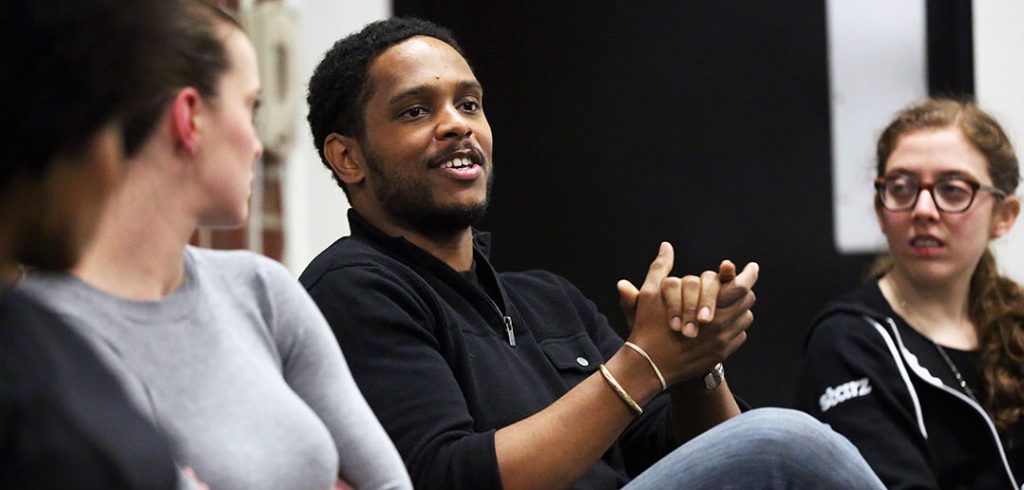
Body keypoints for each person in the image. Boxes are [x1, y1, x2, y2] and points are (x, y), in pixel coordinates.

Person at [301, 17, 885, 489]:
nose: (457, 126)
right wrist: (643, 363)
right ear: (347, 157)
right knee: (785, 443)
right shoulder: (352, 288)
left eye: (470, 104)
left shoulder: (548, 301)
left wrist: (692, 363)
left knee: (768, 442)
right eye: (415, 111)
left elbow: (708, 460)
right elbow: (444, 477)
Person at [18, 2, 411, 489]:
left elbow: (391, 484)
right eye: (250, 107)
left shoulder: (260, 289)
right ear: (190, 117)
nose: (257, 144)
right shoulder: (41, 336)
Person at [0, 0, 190, 488]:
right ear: (60, 121)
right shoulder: (48, 427)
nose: (115, 169)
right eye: (116, 131)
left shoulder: (39, 334)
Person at [797, 98, 1023, 489]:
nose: (922, 209)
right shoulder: (848, 344)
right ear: (881, 210)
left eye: (952, 190)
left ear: (1003, 216)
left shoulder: (1015, 318)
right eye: (901, 188)